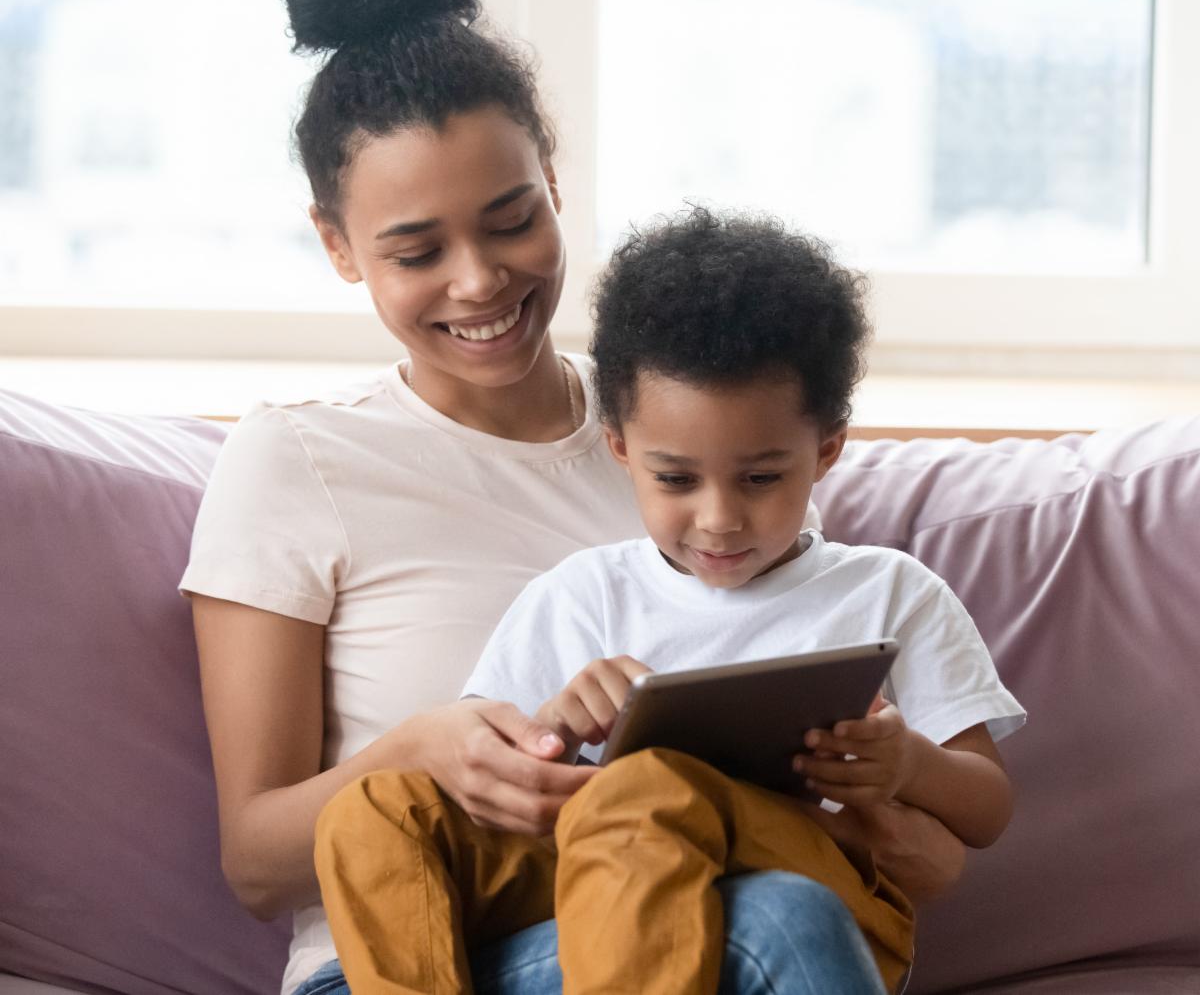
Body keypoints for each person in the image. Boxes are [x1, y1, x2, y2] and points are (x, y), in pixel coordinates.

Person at [181, 0, 971, 993]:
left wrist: (903, 833)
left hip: (701, 900)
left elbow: (856, 795)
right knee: (776, 918)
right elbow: (254, 863)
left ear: (554, 184)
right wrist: (428, 746)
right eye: (417, 250)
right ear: (337, 244)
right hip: (414, 952)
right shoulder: (295, 460)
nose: (479, 280)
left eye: (511, 220)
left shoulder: (694, 427)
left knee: (774, 906)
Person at [311, 208, 1027, 994]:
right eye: (677, 479)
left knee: (648, 787)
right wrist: (554, 727)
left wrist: (908, 762)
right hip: (591, 869)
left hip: (815, 869)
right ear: (621, 449)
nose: (718, 518)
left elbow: (987, 808)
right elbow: (490, 784)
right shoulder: (581, 593)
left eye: (761, 478)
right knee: (373, 810)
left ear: (826, 449)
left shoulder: (889, 591)